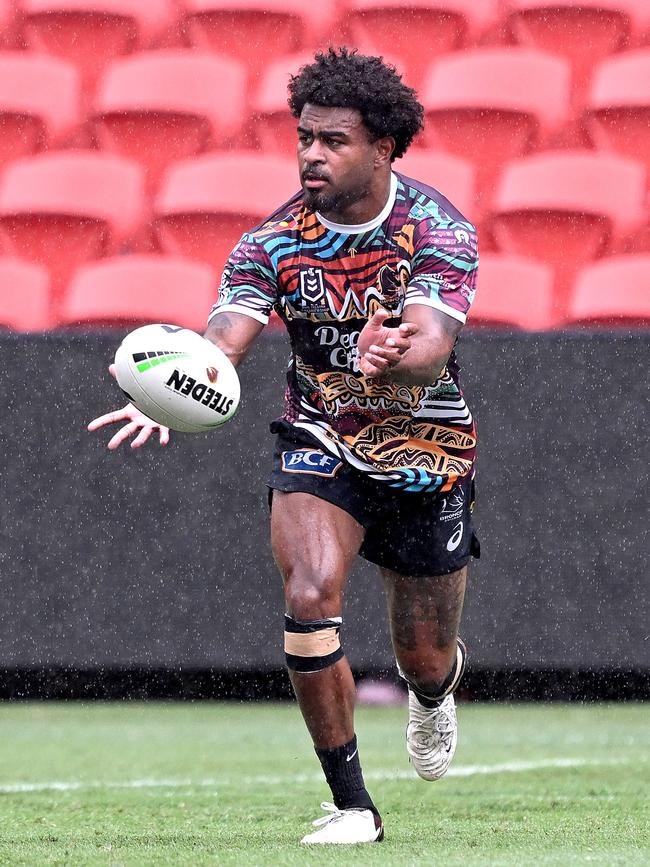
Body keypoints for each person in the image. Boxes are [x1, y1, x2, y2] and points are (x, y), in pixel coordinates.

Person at [89, 47, 480, 845]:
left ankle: (433, 693)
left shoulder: (438, 230)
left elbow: (432, 346)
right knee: (309, 594)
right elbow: (227, 337)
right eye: (304, 136)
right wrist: (179, 383)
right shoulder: (272, 241)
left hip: (425, 448)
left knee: (425, 653)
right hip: (319, 436)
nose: (311, 153)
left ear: (383, 148)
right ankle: (352, 805)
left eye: (333, 140)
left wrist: (390, 357)